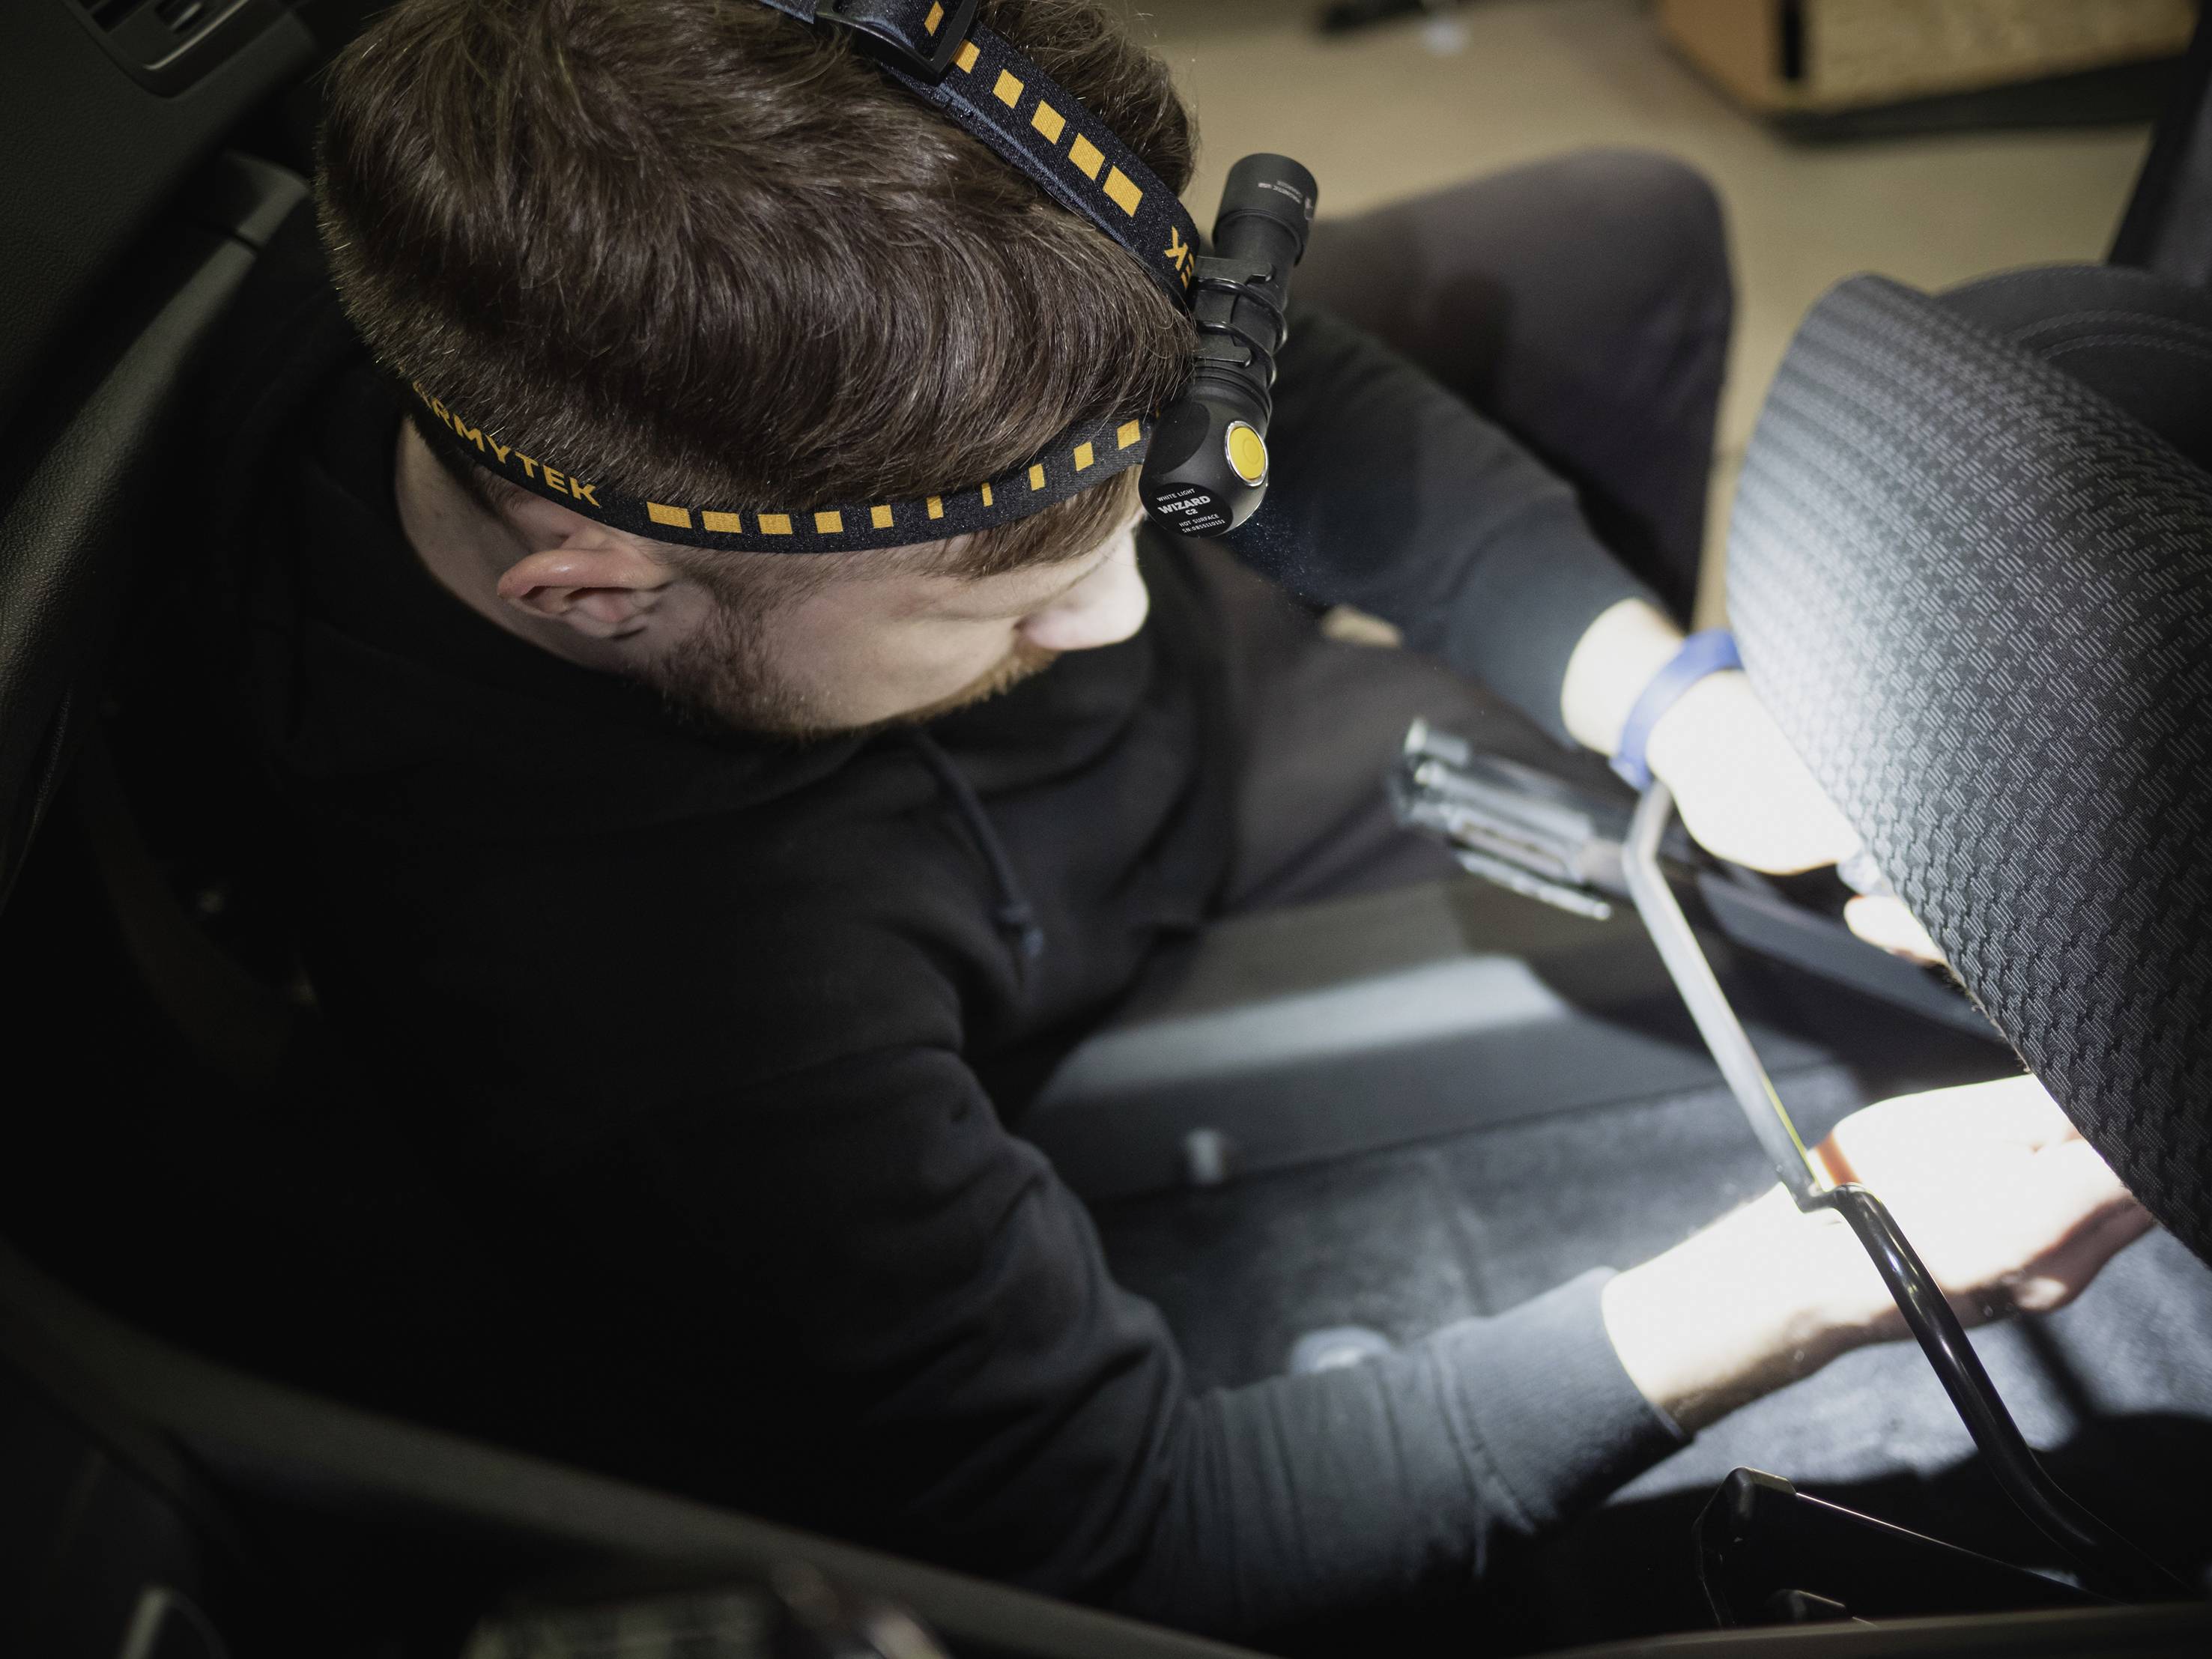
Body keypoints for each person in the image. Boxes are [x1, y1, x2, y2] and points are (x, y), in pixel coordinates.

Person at [201, 0, 2150, 1640]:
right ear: (601, 592)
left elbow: (1277, 409)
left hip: (1123, 778)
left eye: (1148, 508)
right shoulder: (657, 1010)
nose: (1124, 608)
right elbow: (1129, 1532)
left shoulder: (697, 256)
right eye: (1013, 594)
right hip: (1094, 909)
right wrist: (1836, 1263)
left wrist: (1671, 705)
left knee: (1619, 221)